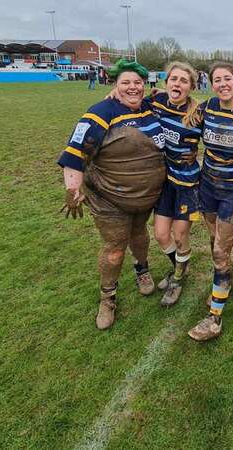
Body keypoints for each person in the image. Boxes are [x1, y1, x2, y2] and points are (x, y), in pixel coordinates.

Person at [57, 59, 167, 330]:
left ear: (145, 85)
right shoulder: (99, 113)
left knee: (140, 235)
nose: (132, 88)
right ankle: (108, 298)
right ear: (114, 84)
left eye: (137, 83)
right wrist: (72, 189)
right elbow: (75, 154)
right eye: (125, 83)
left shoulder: (151, 109)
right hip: (110, 198)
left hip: (145, 196)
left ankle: (142, 270)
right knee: (115, 248)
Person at [187, 62, 233, 341]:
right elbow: (173, 110)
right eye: (217, 80)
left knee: (220, 250)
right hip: (207, 188)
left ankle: (215, 318)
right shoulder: (206, 108)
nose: (222, 84)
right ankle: (222, 283)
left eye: (227, 79)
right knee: (214, 242)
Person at [148, 62, 204, 307]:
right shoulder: (156, 102)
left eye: (183, 80)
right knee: (161, 235)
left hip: (187, 183)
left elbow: (221, 136)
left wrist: (199, 155)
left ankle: (178, 278)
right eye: (174, 79)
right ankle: (181, 266)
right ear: (166, 82)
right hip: (164, 181)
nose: (177, 83)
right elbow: (127, 103)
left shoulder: (198, 113)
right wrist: (112, 93)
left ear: (191, 86)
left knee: (180, 236)